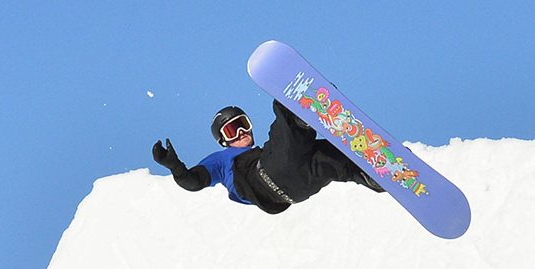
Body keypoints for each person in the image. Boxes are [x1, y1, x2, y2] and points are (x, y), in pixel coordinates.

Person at [152, 100, 384, 215]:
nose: (241, 133)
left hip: (296, 191)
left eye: (242, 124)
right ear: (224, 141)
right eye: (232, 131)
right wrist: (175, 167)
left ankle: (371, 174)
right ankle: (300, 113)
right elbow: (194, 182)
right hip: (263, 176)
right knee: (284, 110)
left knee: (331, 155)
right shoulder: (222, 160)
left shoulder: (266, 153)